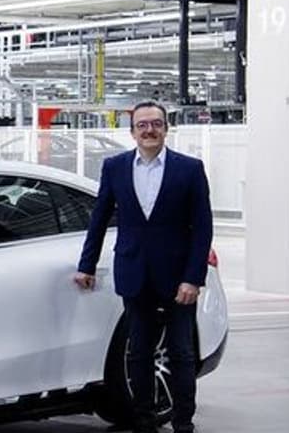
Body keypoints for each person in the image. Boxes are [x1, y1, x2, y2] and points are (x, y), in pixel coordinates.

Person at [74, 101, 213, 433]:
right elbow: (99, 218)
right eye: (142, 125)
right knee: (138, 353)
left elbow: (203, 227)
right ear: (132, 131)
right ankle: (144, 422)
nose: (149, 130)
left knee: (181, 352)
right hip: (134, 272)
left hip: (178, 277)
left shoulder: (190, 169)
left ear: (166, 128)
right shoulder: (115, 167)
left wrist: (193, 278)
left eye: (156, 124)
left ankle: (183, 423)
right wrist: (86, 264)